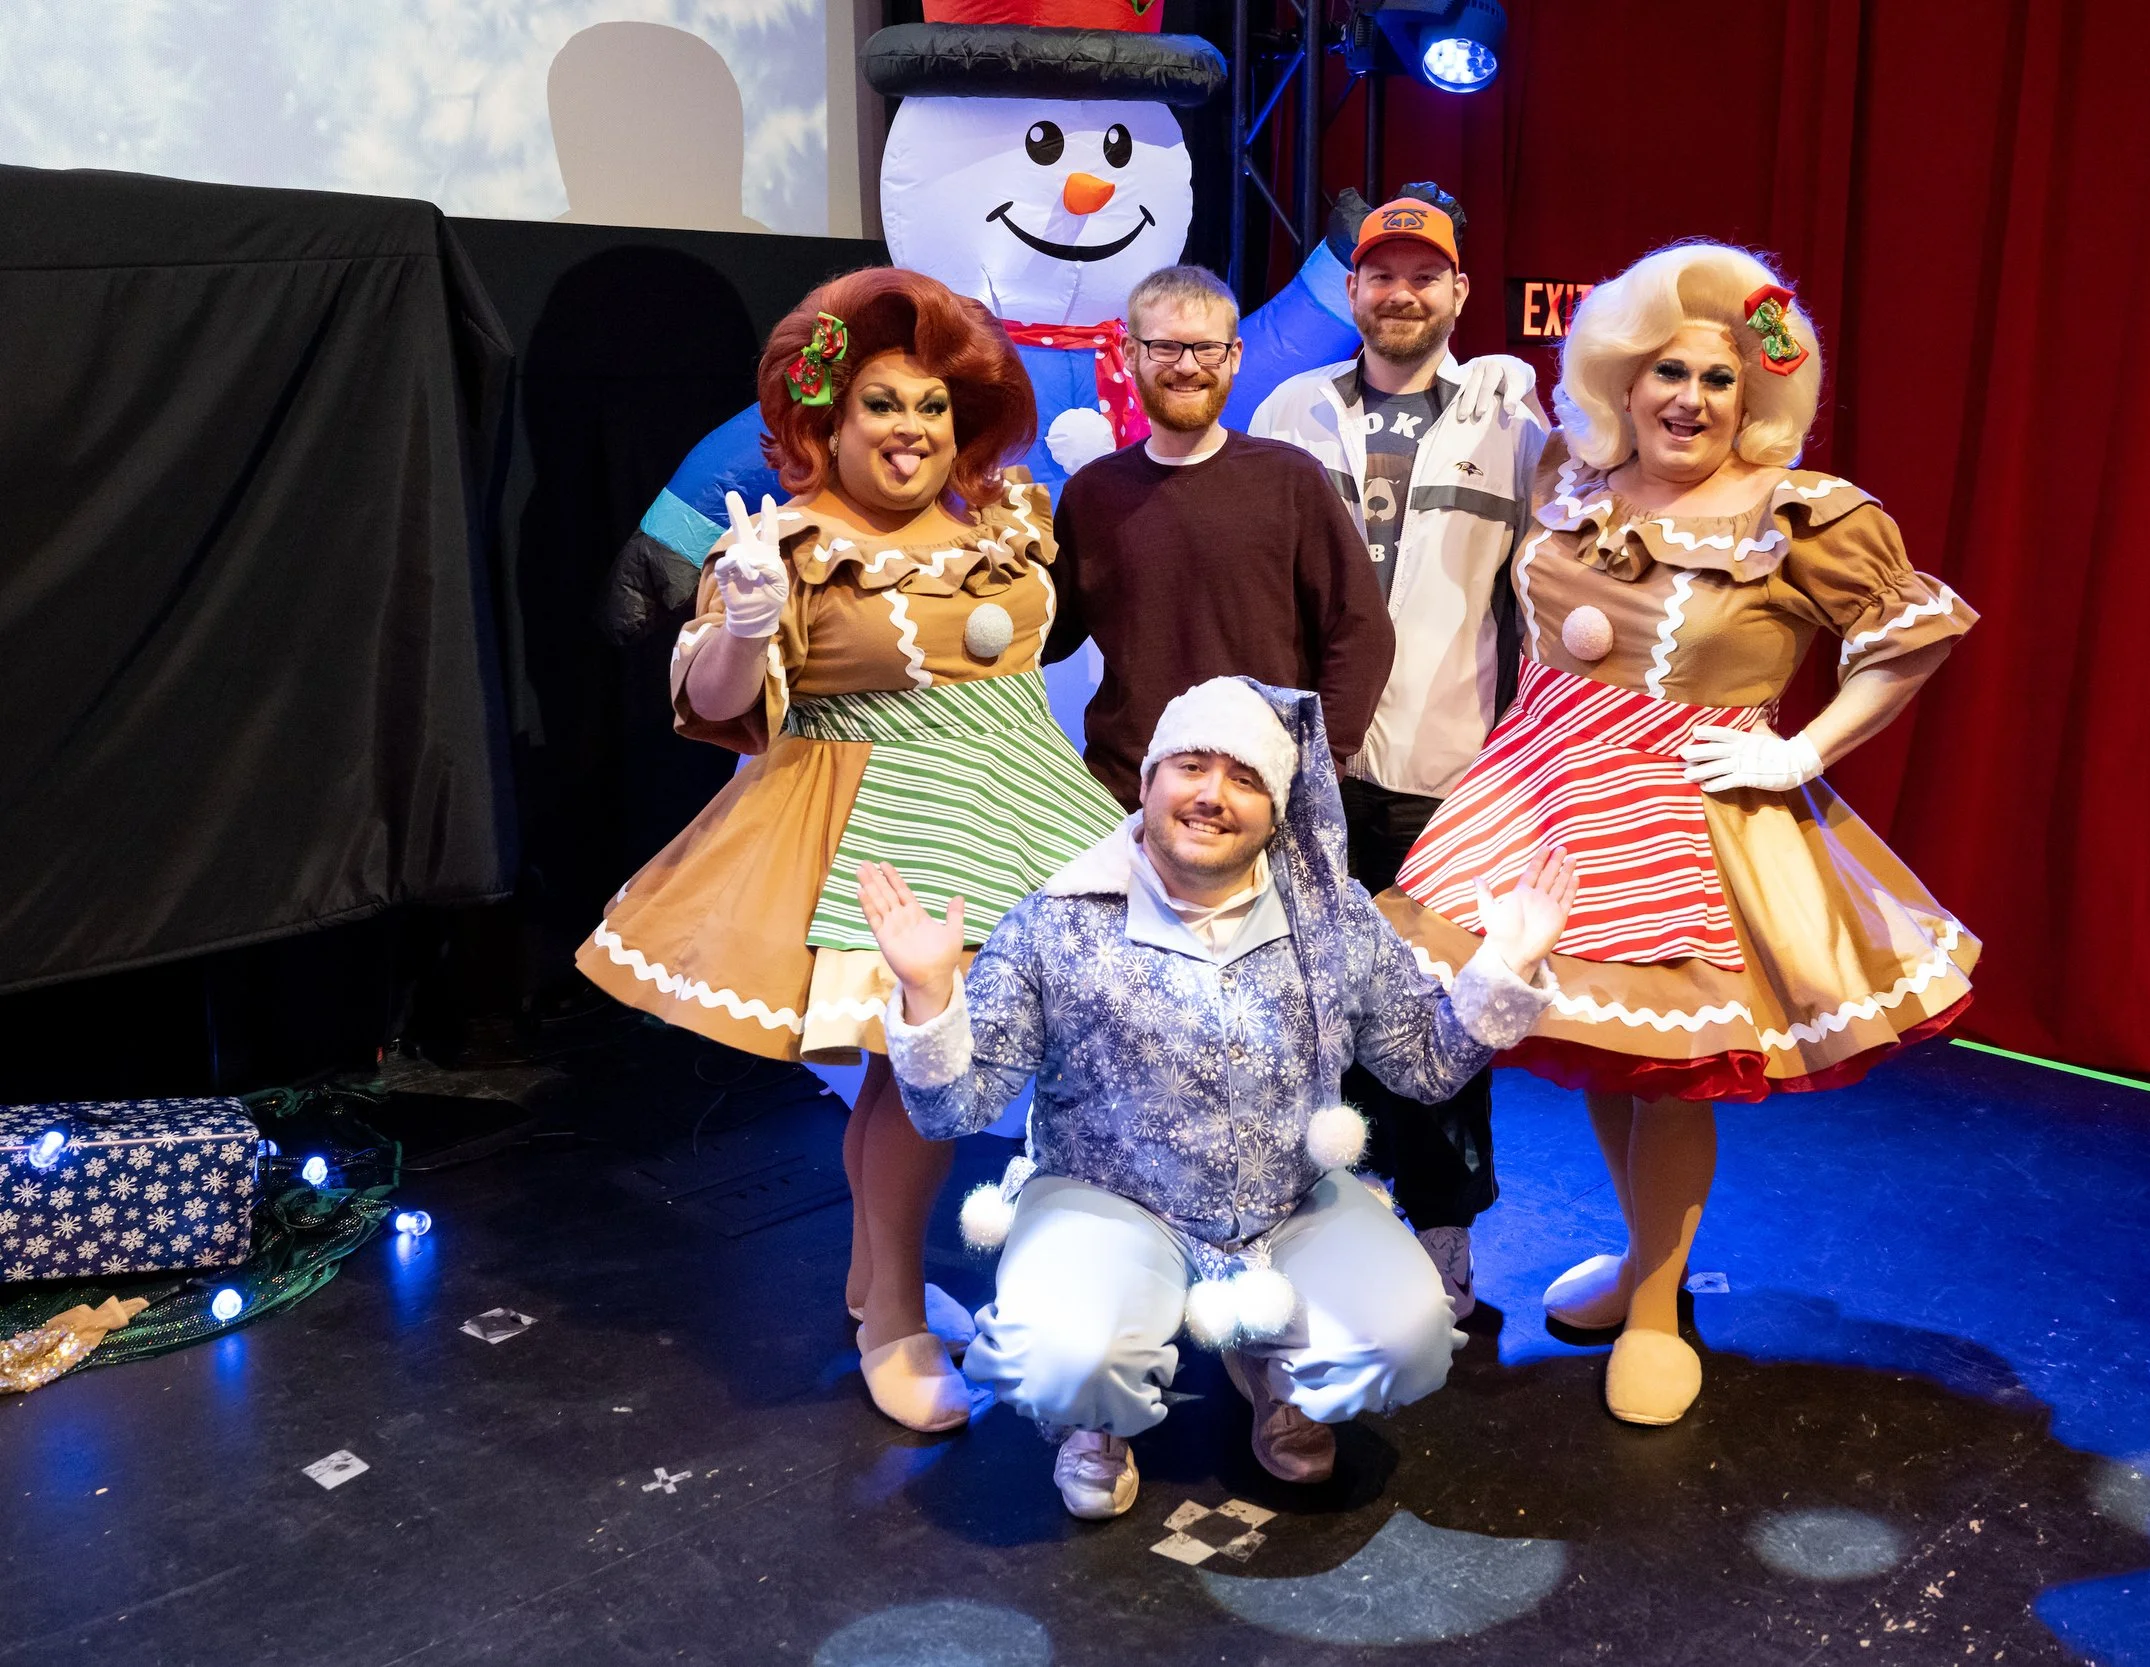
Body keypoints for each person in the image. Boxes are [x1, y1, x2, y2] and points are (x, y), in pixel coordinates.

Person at [1376, 242, 1980, 1427]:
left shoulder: (1795, 511)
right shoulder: (1573, 477)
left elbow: (1908, 635)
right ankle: (1636, 1256)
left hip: (1678, 813)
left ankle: (1656, 1307)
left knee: (1667, 1071)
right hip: (1539, 790)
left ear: (1754, 397)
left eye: (1717, 378)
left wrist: (1802, 749)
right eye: (1667, 371)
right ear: (1623, 377)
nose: (1688, 399)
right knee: (1603, 1049)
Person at [576, 267, 1127, 1434]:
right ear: (828, 418)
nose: (909, 429)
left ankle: (877, 1284)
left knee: (916, 1080)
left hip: (1022, 799)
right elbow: (718, 700)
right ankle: (893, 1320)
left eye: (931, 405)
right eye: (882, 403)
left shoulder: (1002, 519)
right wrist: (742, 621)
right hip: (890, 825)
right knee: (919, 1078)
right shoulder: (793, 543)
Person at [861, 678, 1577, 1519]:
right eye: (1191, 766)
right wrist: (927, 997)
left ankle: (1278, 1372)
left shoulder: (1332, 920)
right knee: (1062, 1355)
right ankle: (1097, 1416)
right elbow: (953, 1110)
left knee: (1408, 1339)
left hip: (1289, 1200)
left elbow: (1423, 1065)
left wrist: (1505, 966)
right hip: (1108, 1200)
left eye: (1244, 778)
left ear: (1276, 810)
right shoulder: (1056, 923)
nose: (1212, 793)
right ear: (1149, 781)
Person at [1249, 187, 1551, 1319]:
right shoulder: (1290, 409)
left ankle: (1442, 1232)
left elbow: (1542, 598)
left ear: (1459, 291)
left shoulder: (1510, 424)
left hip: (1446, 775)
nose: (1402, 293)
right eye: (1381, 274)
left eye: (1425, 275)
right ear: (1353, 289)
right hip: (1304, 767)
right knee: (1303, 1005)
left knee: (1441, 1012)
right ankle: (1317, 1217)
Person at [1043, 265, 1395, 808]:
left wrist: (1320, 760)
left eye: (1206, 349)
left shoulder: (1288, 479)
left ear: (1234, 356)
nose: (1187, 367)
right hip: (1126, 793)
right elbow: (1047, 632)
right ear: (1130, 354)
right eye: (1165, 347)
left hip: (1258, 791)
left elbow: (1360, 626)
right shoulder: (1091, 493)